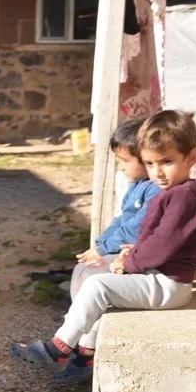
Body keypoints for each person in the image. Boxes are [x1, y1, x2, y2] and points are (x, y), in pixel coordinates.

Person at [10, 110, 196, 385]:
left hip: (169, 285)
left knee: (98, 287)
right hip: (160, 276)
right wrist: (134, 251)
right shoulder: (174, 192)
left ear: (191, 157)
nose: (158, 172)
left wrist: (129, 263)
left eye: (167, 162)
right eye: (151, 164)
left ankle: (58, 348)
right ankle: (85, 356)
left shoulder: (183, 197)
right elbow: (159, 239)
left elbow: (163, 244)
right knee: (99, 288)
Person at [70, 116, 158, 296]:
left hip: (141, 259)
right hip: (123, 249)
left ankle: (87, 318)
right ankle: (80, 314)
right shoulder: (137, 185)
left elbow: (136, 228)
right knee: (82, 269)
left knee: (91, 276)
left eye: (125, 160)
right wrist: (100, 245)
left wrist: (103, 250)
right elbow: (122, 220)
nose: (121, 166)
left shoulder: (156, 190)